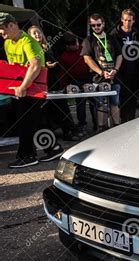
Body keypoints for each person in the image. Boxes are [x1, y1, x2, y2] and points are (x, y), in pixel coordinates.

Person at [0, 12, 45, 168]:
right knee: (30, 121)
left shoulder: (28, 42)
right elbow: (14, 67)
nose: (1, 34)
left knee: (26, 123)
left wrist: (23, 86)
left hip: (33, 88)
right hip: (20, 89)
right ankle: (53, 148)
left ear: (12, 26)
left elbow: (35, 66)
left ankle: (27, 156)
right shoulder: (7, 43)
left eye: (3, 30)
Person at [28, 25, 77, 161]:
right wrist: (44, 67)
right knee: (43, 114)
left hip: (52, 82)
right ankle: (50, 144)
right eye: (34, 34)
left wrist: (50, 66)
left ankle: (65, 134)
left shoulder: (47, 47)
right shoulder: (32, 48)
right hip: (40, 85)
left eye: (38, 33)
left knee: (59, 108)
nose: (37, 35)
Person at [81, 13, 122, 131]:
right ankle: (101, 128)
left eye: (98, 24)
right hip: (98, 78)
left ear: (103, 24)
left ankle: (117, 127)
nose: (96, 27)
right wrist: (101, 72)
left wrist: (116, 70)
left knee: (115, 102)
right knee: (100, 104)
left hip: (114, 76)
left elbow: (120, 55)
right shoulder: (88, 40)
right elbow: (87, 59)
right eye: (93, 25)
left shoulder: (112, 38)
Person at [59, 32, 97, 135]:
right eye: (72, 44)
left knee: (94, 101)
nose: (76, 45)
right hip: (75, 81)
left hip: (89, 78)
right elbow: (63, 73)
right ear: (67, 46)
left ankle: (97, 124)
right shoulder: (64, 56)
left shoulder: (84, 49)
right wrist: (64, 86)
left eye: (76, 42)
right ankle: (82, 125)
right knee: (80, 103)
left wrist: (94, 79)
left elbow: (92, 62)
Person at [110, 8, 139, 123]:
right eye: (125, 20)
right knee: (121, 98)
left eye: (130, 20)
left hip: (135, 71)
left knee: (133, 98)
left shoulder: (136, 33)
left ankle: (131, 120)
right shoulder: (114, 34)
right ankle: (122, 122)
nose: (127, 22)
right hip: (121, 71)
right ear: (122, 20)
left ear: (133, 21)